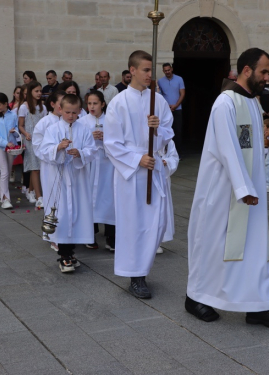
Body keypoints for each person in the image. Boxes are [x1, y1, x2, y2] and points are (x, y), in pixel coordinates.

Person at [185, 48, 269, 327]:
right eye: (263, 71)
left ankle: (257, 305)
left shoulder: (253, 102)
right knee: (213, 243)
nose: (268, 77)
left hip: (249, 191)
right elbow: (228, 149)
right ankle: (196, 297)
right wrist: (243, 189)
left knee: (255, 246)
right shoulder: (225, 103)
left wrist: (252, 187)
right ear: (246, 70)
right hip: (224, 192)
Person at [104, 50, 174, 299]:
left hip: (152, 169)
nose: (149, 75)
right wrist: (137, 159)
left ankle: (142, 269)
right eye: (145, 70)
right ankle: (136, 276)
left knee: (155, 224)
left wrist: (158, 130)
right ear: (132, 70)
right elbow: (111, 143)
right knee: (134, 224)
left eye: (150, 70)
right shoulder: (118, 103)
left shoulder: (159, 101)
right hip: (131, 173)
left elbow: (168, 133)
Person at [37, 94, 97, 272]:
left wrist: (81, 153)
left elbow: (92, 150)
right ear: (60, 109)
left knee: (77, 213)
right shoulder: (53, 129)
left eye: (74, 112)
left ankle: (70, 253)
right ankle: (64, 255)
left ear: (79, 111)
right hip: (58, 179)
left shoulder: (84, 129)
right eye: (67, 112)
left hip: (77, 178)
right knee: (61, 214)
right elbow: (43, 150)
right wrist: (58, 148)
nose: (70, 116)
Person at [80, 91, 116, 251]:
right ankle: (90, 234)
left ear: (102, 104)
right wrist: (90, 137)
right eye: (89, 103)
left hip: (107, 166)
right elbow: (78, 142)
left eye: (95, 103)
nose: (92, 107)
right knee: (89, 198)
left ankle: (111, 236)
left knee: (109, 199)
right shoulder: (82, 122)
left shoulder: (111, 120)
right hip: (90, 165)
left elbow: (119, 140)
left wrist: (105, 137)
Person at [32, 90, 65, 251]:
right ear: (52, 104)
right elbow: (38, 147)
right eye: (61, 103)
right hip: (51, 166)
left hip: (68, 167)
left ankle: (65, 233)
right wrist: (55, 150)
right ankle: (52, 234)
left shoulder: (71, 121)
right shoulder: (44, 123)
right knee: (52, 198)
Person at [18, 81, 46, 207]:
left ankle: (30, 190)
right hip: (30, 140)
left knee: (38, 167)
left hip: (41, 139)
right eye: (36, 91)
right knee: (35, 168)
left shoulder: (43, 107)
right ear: (30, 93)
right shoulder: (24, 107)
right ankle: (39, 196)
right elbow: (20, 125)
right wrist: (26, 133)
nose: (39, 93)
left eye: (40, 91)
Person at [0, 93, 19, 209]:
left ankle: (2, 192)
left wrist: (14, 130)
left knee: (8, 170)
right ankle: (5, 198)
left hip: (11, 148)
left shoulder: (13, 115)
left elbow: (17, 128)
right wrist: (5, 143)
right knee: (5, 171)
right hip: (0, 147)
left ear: (6, 104)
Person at [156, 140, 179, 255]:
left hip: (163, 181)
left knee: (161, 210)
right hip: (146, 177)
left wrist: (166, 162)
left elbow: (174, 158)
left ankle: (157, 241)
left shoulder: (168, 141)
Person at [158, 63, 185, 153]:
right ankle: (167, 152)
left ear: (172, 69)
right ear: (163, 71)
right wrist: (167, 106)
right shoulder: (160, 81)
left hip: (177, 109)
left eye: (168, 70)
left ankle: (178, 153)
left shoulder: (179, 79)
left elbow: (182, 93)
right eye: (165, 70)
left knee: (177, 131)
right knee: (166, 131)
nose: (167, 72)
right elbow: (160, 95)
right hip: (166, 110)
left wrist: (176, 105)